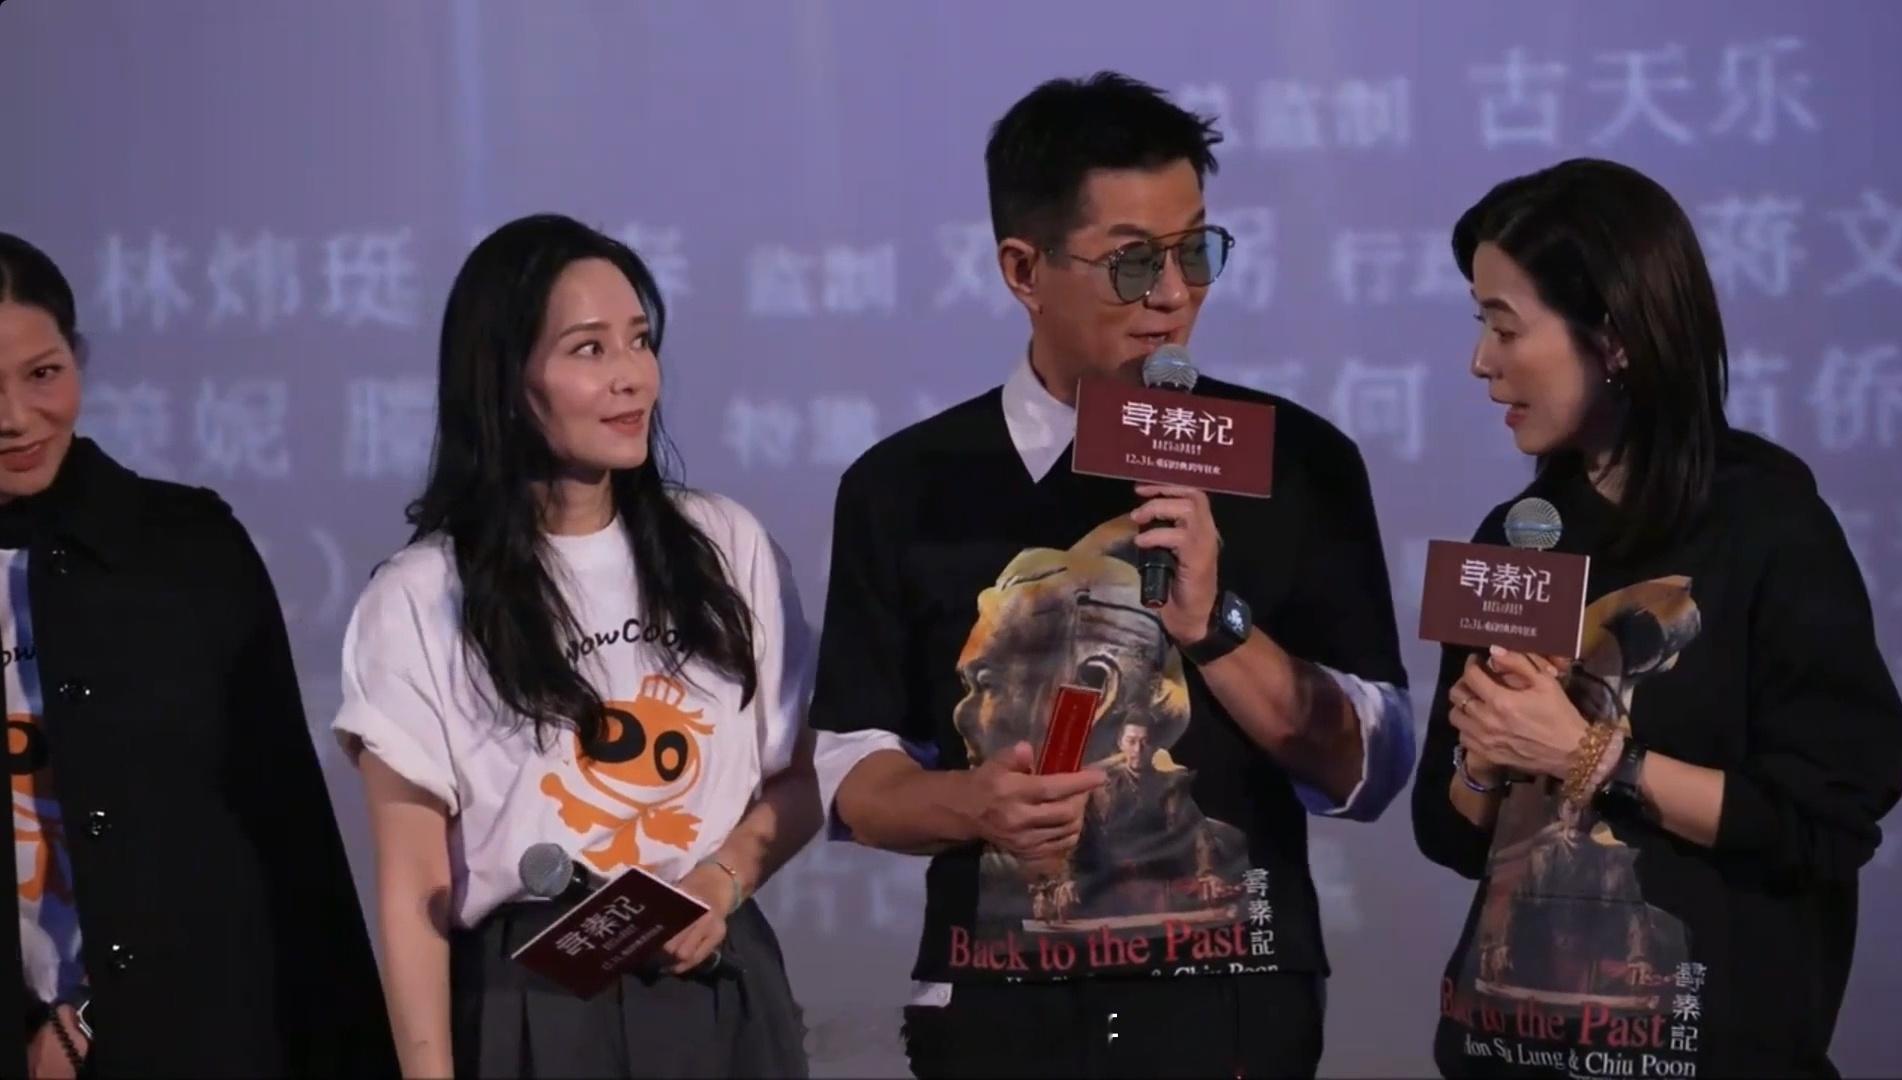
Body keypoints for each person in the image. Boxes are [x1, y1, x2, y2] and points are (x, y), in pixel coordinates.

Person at [807, 73, 1415, 1078]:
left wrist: (1215, 625)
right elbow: (851, 772)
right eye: (1133, 262)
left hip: (1232, 1006)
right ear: (1023, 268)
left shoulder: (1297, 461)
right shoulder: (903, 484)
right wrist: (974, 806)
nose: (1173, 295)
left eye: (1196, 251)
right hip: (1000, 1005)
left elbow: (1372, 769)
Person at [1410, 158, 1902, 1078]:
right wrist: (1484, 758)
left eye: (1505, 327)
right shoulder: (1515, 537)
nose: (1481, 361)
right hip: (1507, 1043)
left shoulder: (1767, 524)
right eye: (1480, 324)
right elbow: (1448, 839)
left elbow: (1827, 822)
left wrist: (1588, 756)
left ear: (1615, 339)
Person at [333, 213, 819, 1078]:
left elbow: (811, 771)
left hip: (714, 977)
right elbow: (412, 894)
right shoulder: (418, 596)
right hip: (533, 1003)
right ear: (503, 378)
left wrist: (721, 880)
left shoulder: (724, 545)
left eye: (639, 340)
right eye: (589, 349)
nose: (631, 375)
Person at [0, 232, 396, 1077]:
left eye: (43, 374)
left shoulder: (191, 551)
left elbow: (287, 830)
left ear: (78, 360)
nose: (16, 417)